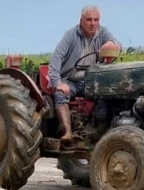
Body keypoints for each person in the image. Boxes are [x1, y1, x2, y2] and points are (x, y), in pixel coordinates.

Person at [48, 5, 120, 145]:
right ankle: (67, 132)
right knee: (60, 94)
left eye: (96, 20)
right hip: (71, 80)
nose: (92, 23)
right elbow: (56, 59)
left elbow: (116, 43)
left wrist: (111, 43)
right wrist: (58, 83)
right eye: (89, 20)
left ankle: (101, 131)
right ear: (81, 20)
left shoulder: (103, 33)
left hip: (91, 81)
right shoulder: (71, 35)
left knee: (107, 96)